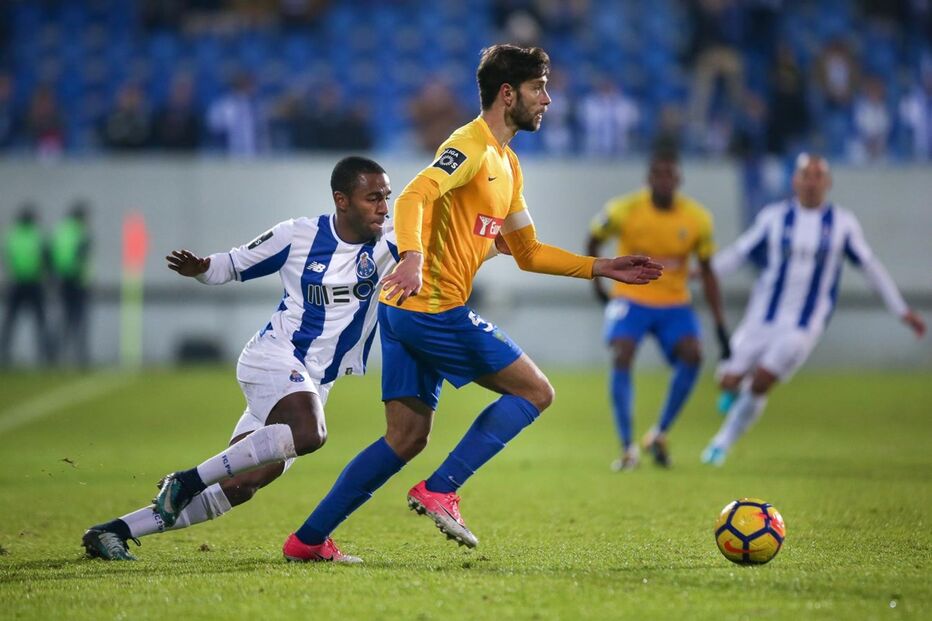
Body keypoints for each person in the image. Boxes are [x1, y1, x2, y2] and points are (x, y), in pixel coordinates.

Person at [281, 44, 663, 563]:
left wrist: (599, 266)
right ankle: (442, 489)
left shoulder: (508, 164)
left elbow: (527, 252)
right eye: (538, 88)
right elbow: (415, 195)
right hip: (432, 306)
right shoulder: (471, 145)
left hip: (404, 313)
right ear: (508, 94)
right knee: (535, 391)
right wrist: (413, 257)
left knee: (405, 437)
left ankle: (306, 540)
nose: (547, 100)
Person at [81, 156, 398, 561]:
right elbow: (231, 264)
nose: (383, 208)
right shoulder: (298, 236)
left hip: (314, 380)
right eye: (373, 198)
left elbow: (442, 241)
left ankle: (112, 531)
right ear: (342, 199)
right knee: (309, 434)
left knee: (242, 485)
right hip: (273, 358)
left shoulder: (391, 240)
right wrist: (201, 268)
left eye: (386, 197)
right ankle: (187, 480)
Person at [701, 154, 926, 466]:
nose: (811, 181)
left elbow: (870, 267)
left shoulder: (842, 224)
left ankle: (720, 443)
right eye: (805, 175)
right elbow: (738, 254)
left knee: (762, 380)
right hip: (761, 316)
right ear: (794, 181)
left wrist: (901, 310)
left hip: (803, 325)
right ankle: (734, 387)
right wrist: (698, 273)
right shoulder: (774, 217)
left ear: (828, 183)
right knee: (727, 380)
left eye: (818, 175)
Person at [587, 151, 729, 470]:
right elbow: (593, 239)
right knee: (622, 353)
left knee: (693, 355)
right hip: (630, 297)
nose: (664, 181)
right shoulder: (623, 210)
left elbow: (707, 271)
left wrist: (720, 325)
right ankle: (627, 448)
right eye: (658, 175)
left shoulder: (697, 219)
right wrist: (600, 285)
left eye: (670, 175)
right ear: (648, 179)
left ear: (678, 180)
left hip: (674, 301)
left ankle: (659, 433)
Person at [1, 203, 53, 365]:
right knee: (40, 322)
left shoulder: (11, 235)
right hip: (33, 283)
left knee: (10, 322)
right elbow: (46, 258)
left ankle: (4, 353)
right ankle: (46, 356)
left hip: (16, 282)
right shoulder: (37, 235)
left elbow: (7, 257)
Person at [50, 201, 92, 367]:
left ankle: (56, 356)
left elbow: (51, 254)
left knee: (64, 320)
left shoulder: (60, 231)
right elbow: (81, 256)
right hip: (77, 281)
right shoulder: (80, 233)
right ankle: (80, 357)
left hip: (62, 281)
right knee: (79, 320)